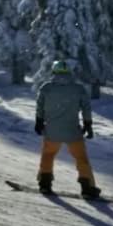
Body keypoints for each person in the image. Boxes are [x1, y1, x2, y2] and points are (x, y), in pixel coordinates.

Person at [35, 60, 100, 199]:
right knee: (81, 158)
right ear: (70, 72)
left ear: (53, 71)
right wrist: (88, 124)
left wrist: (39, 121)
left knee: (48, 155)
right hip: (72, 131)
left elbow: (40, 106)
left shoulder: (46, 88)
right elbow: (86, 108)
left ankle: (45, 184)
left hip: (52, 131)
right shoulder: (78, 89)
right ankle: (87, 187)